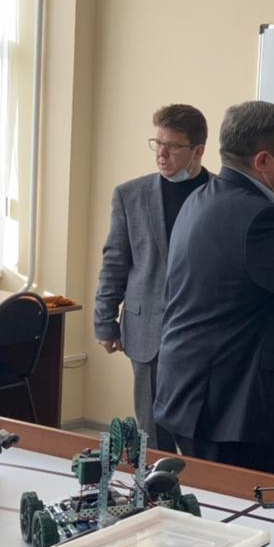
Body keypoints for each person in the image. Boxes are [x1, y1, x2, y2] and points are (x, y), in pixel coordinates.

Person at [154, 101, 274, 476]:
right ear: (264, 161)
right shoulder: (260, 218)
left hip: (197, 395)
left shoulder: (201, 198)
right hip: (233, 410)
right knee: (249, 507)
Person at [93, 104, 209, 452]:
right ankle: (156, 487)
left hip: (204, 335)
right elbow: (115, 261)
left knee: (201, 434)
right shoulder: (130, 195)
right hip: (147, 330)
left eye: (172, 146)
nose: (161, 153)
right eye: (157, 143)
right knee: (152, 436)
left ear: (198, 151)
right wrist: (105, 322)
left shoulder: (221, 195)